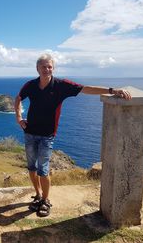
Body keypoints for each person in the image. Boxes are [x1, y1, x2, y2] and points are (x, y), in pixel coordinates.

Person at [14, 53, 131, 217]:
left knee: (43, 170)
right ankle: (38, 195)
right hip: (30, 133)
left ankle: (46, 201)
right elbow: (18, 98)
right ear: (37, 68)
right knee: (32, 168)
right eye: (43, 67)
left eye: (49, 66)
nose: (47, 69)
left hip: (47, 135)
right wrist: (19, 117)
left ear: (53, 68)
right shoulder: (31, 85)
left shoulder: (61, 85)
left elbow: (86, 89)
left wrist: (112, 90)